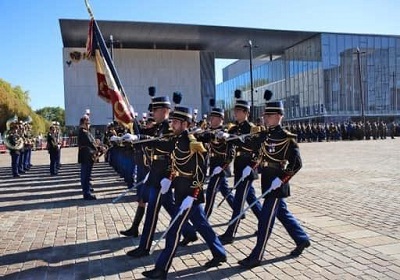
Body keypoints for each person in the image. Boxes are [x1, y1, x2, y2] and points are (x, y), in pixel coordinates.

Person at [142, 106, 227, 279]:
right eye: (172, 120)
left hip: (189, 193)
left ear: (184, 124)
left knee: (173, 231)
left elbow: (201, 172)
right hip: (180, 191)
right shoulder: (175, 139)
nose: (171, 124)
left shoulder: (192, 142)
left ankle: (161, 269)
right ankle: (220, 253)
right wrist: (138, 138)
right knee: (202, 225)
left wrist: (193, 195)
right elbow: (166, 151)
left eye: (175, 121)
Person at [238, 100, 310, 269]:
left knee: (265, 221)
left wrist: (283, 179)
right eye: (265, 116)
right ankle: (302, 239)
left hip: (277, 185)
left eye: (269, 116)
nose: (266, 119)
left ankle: (256, 256)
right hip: (267, 181)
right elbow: (249, 145)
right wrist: (229, 138)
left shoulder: (287, 138)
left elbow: (296, 164)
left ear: (278, 116)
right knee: (283, 214)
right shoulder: (264, 135)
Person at [125, 96, 197, 258]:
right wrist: (131, 124)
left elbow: (165, 146)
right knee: (170, 207)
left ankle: (145, 247)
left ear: (164, 111)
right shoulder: (159, 127)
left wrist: (140, 138)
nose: (153, 113)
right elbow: (144, 134)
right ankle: (189, 232)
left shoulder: (170, 128)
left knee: (152, 213)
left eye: (155, 110)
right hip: (156, 173)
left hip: (163, 176)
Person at [217, 96, 262, 245]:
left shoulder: (252, 129)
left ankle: (230, 233)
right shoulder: (234, 128)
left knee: (238, 202)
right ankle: (264, 222)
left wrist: (252, 167)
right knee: (251, 199)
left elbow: (252, 146)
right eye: (235, 110)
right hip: (239, 166)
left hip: (248, 168)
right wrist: (221, 137)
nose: (235, 113)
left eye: (238, 111)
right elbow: (230, 145)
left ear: (245, 112)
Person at [195, 106, 235, 218]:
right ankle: (238, 211)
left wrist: (222, 167)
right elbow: (202, 138)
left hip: (221, 168)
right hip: (213, 166)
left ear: (220, 119)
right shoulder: (211, 132)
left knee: (210, 193)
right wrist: (195, 133)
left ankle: (204, 218)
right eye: (211, 117)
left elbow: (231, 154)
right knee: (226, 191)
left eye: (213, 118)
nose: (210, 120)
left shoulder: (225, 133)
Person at [77, 115, 97, 200]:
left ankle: (87, 189)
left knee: (86, 175)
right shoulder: (83, 131)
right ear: (84, 123)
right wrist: (98, 149)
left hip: (86, 156)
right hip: (86, 156)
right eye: (88, 123)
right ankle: (87, 193)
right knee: (85, 175)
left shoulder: (84, 131)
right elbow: (90, 143)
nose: (89, 125)